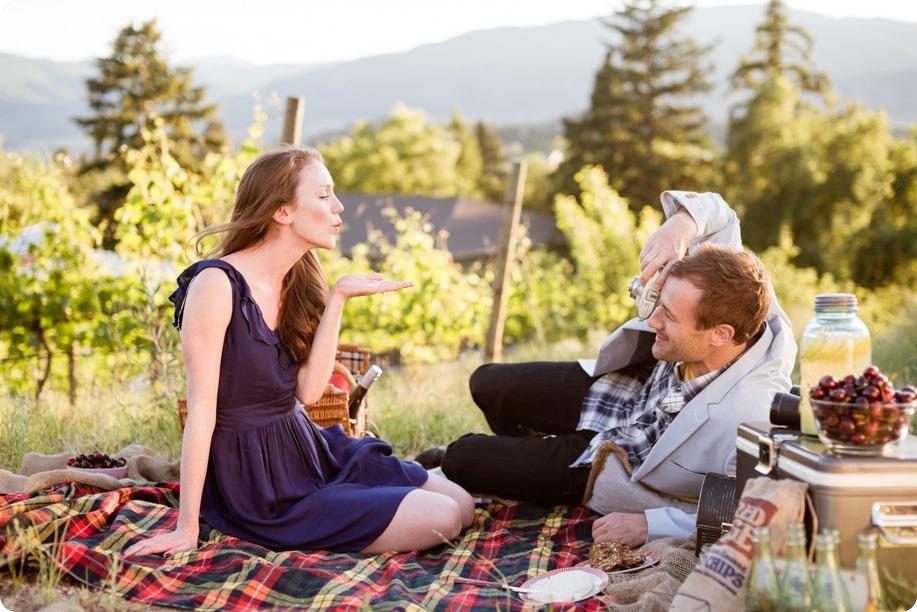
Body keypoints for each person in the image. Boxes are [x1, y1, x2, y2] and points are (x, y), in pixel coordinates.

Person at [124, 144, 475, 557]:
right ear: (282, 211)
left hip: (309, 446)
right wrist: (186, 528)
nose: (338, 206)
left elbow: (308, 393)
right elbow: (201, 414)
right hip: (260, 482)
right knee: (444, 518)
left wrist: (338, 298)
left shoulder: (301, 277)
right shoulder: (216, 286)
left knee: (464, 505)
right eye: (324, 195)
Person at [431, 190, 796, 547]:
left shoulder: (751, 414)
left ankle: (534, 468)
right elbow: (721, 212)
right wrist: (682, 224)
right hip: (621, 392)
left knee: (462, 458)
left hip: (615, 461)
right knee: (486, 383)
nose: (652, 320)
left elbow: (747, 514)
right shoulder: (735, 285)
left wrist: (649, 524)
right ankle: (530, 460)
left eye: (668, 315)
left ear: (720, 335)